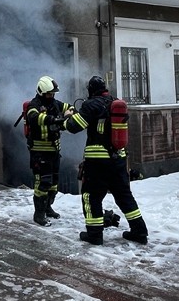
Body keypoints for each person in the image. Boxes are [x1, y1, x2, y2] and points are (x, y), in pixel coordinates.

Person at [62, 75, 148, 245]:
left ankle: (94, 235)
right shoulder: (115, 103)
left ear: (90, 90)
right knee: (124, 196)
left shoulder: (90, 105)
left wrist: (66, 118)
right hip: (118, 160)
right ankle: (139, 232)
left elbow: (73, 126)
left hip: (97, 162)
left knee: (91, 196)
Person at [24, 75, 72, 226]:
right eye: (49, 94)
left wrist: (69, 113)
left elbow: (70, 107)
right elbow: (33, 117)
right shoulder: (34, 105)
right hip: (40, 151)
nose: (52, 96)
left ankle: (48, 208)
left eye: (53, 94)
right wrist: (54, 119)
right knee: (43, 183)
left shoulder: (55, 104)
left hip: (54, 150)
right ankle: (39, 214)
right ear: (41, 92)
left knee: (53, 183)